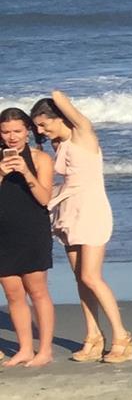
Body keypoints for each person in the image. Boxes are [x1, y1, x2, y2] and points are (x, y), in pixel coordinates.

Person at [29, 91, 132, 364]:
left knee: (91, 276)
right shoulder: (59, 144)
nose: (40, 131)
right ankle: (93, 336)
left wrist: (53, 102)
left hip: (91, 209)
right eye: (37, 127)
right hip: (68, 211)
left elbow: (58, 96)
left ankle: (122, 336)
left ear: (59, 117)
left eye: (43, 124)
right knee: (80, 278)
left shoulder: (83, 133)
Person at [0, 107, 57, 368]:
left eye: (17, 131)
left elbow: (44, 198)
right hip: (3, 233)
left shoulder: (40, 158)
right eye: (5, 132)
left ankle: (44, 350)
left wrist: (25, 172)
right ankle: (24, 348)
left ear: (28, 132)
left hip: (32, 230)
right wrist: (2, 174)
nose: (12, 137)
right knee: (13, 293)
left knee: (37, 290)